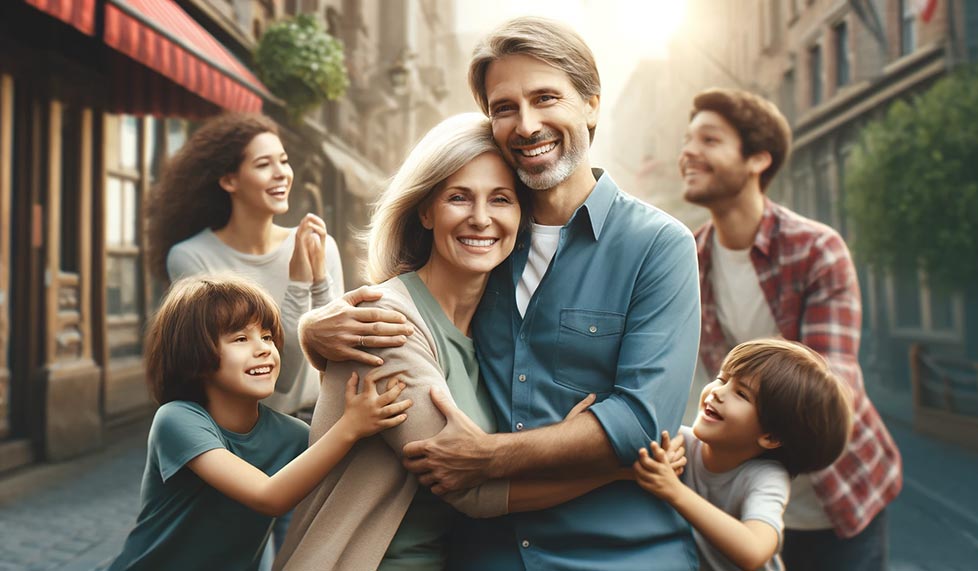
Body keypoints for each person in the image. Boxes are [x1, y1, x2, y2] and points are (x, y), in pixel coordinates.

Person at [298, 17, 702, 571]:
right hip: (480, 555)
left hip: (615, 555)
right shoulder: (486, 249)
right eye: (505, 107)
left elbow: (640, 422)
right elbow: (408, 314)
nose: (527, 124)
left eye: (546, 98)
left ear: (591, 105)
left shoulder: (659, 246)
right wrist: (313, 332)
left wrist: (490, 457)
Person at [679, 87, 903, 570]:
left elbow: (833, 384)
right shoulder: (686, 259)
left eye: (709, 140)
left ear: (758, 158)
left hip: (835, 504)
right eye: (688, 139)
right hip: (734, 510)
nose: (688, 152)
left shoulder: (816, 249)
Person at [108, 275, 410, 570]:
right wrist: (350, 426)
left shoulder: (292, 435)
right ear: (195, 355)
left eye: (266, 336)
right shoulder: (177, 420)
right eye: (240, 338)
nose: (263, 348)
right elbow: (269, 497)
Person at [146, 113, 344, 417]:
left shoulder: (319, 244)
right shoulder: (191, 257)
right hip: (237, 435)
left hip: (316, 425)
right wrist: (299, 281)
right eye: (264, 165)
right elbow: (284, 376)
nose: (282, 174)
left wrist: (319, 282)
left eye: (284, 160)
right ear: (229, 180)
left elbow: (335, 354)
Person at [635, 339, 853, 571]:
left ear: (770, 437)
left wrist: (673, 490)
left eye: (741, 394)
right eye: (722, 379)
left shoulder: (766, 478)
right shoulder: (680, 443)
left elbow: (754, 550)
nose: (718, 392)